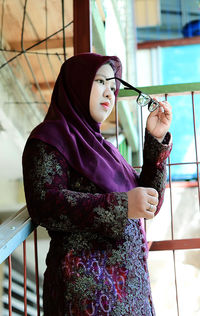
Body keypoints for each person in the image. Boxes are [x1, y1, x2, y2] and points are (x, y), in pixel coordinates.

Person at [22, 53, 172, 316]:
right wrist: (122, 204)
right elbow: (45, 204)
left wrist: (155, 141)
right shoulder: (48, 139)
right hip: (86, 296)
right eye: (100, 81)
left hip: (131, 294)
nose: (109, 93)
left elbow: (150, 203)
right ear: (77, 84)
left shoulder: (107, 150)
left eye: (113, 87)